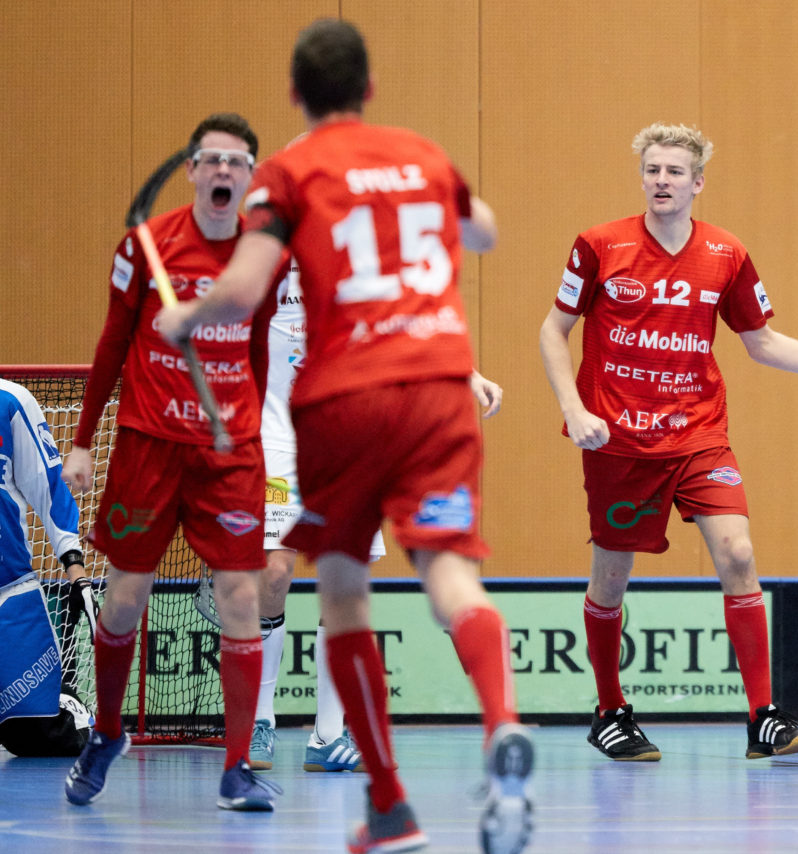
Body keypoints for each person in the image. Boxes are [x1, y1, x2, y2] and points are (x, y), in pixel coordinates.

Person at [156, 20, 533, 854]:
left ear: (296, 93)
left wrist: (185, 315)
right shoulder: (421, 156)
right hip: (433, 393)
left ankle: (389, 802)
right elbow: (483, 230)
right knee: (450, 576)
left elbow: (240, 289)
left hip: (344, 404)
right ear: (370, 88)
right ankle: (502, 719)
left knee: (342, 590)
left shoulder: (288, 178)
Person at [539, 123, 798, 762]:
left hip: (699, 434)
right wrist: (573, 408)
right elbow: (552, 330)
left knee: (738, 553)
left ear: (697, 183)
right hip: (619, 440)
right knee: (610, 577)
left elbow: (762, 341)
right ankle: (610, 711)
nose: (661, 180)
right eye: (652, 170)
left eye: (674, 171)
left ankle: (764, 718)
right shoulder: (600, 245)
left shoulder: (726, 253)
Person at [62, 112, 289, 811]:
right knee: (126, 596)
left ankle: (237, 767)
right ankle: (106, 733)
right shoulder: (146, 247)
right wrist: (81, 441)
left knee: (242, 594)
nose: (223, 170)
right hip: (149, 443)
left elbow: (257, 346)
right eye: (211, 159)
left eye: (237, 162)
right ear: (192, 171)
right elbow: (112, 341)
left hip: (228, 451)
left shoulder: (265, 256)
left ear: (250, 179)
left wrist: (247, 430)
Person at [250, 262, 503, 774]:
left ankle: (328, 735)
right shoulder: (266, 256)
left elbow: (411, 325)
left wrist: (466, 373)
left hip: (346, 439)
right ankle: (259, 720)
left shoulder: (362, 263)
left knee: (343, 584)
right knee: (274, 574)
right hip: (275, 436)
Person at [0, 378, 93, 757]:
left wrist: (75, 568)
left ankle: (66, 701)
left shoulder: (10, 400)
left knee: (39, 735)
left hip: (7, 589)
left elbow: (49, 488)